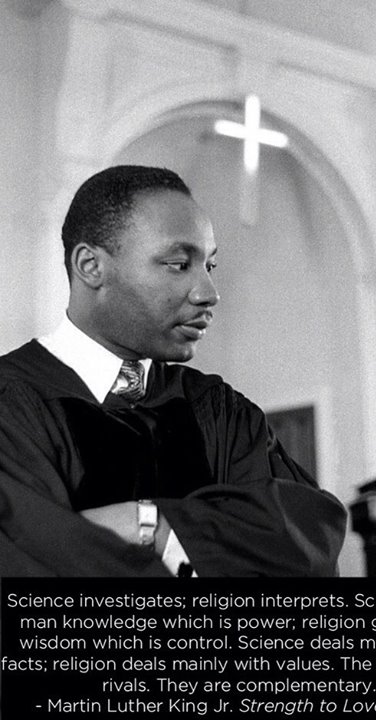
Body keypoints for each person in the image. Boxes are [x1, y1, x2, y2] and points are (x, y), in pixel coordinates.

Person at [0, 165, 346, 577]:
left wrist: (152, 526)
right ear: (91, 266)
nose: (209, 293)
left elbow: (306, 542)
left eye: (209, 266)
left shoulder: (218, 410)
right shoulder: (12, 406)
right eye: (179, 264)